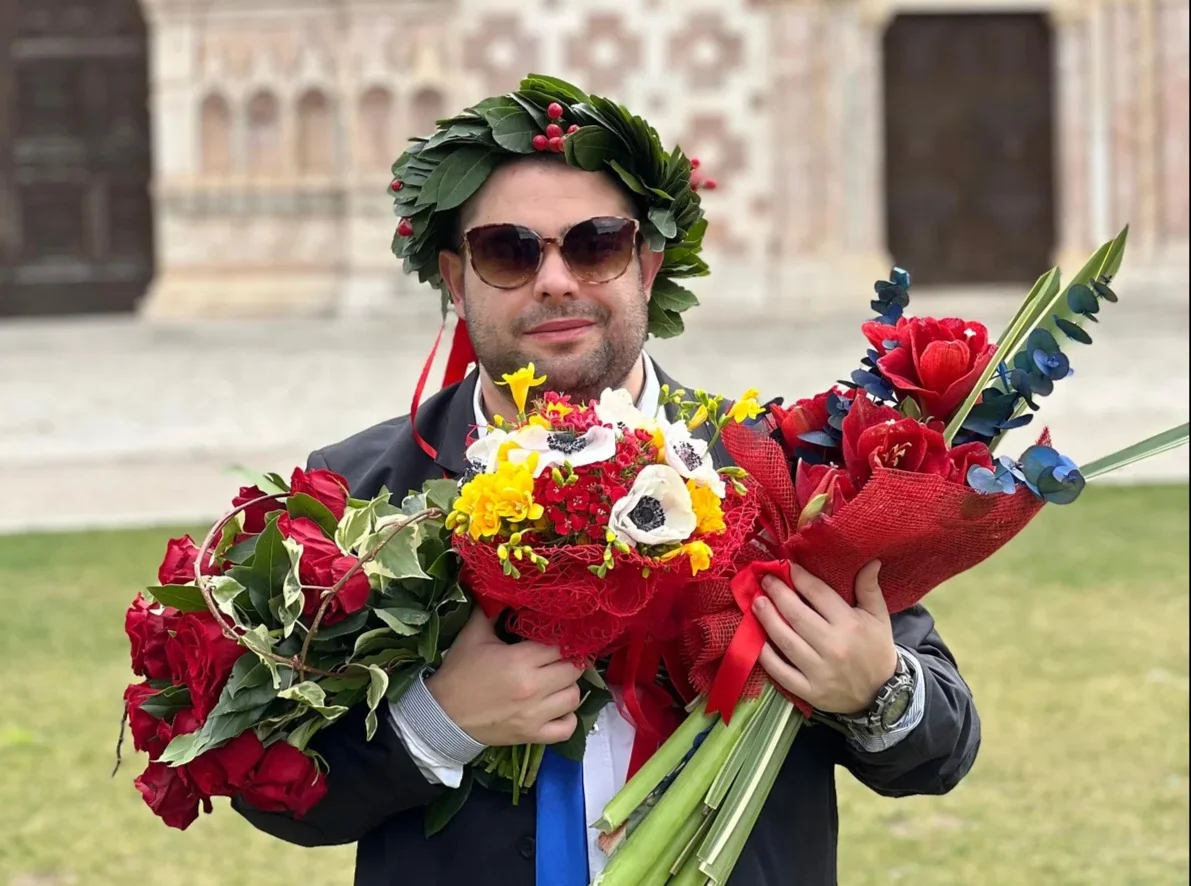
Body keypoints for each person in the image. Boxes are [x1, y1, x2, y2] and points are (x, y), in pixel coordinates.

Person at [233, 77, 980, 886]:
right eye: (508, 251)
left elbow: (938, 752)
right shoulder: (358, 493)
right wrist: (438, 724)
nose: (555, 280)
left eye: (594, 244)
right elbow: (271, 789)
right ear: (454, 280)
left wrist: (871, 687)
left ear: (647, 267)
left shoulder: (780, 471)